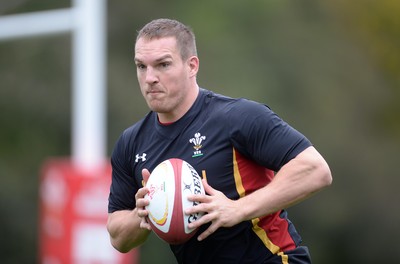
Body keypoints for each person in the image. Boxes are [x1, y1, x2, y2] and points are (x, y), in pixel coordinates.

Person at [107, 18, 332, 264]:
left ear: (192, 66)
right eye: (141, 66)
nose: (150, 78)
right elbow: (118, 237)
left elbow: (315, 170)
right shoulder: (131, 143)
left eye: (163, 65)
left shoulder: (237, 117)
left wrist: (237, 209)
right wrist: (143, 214)